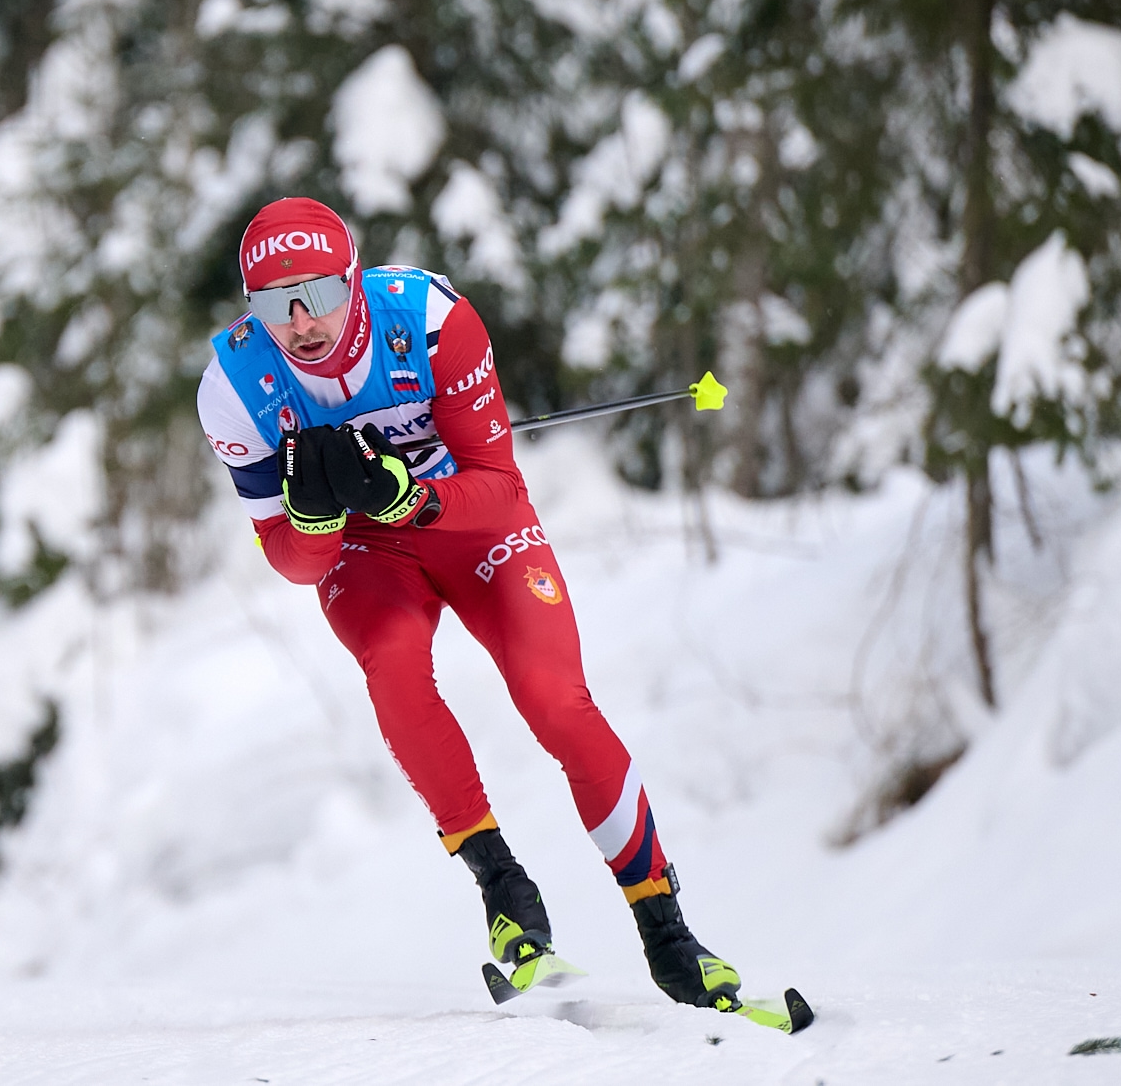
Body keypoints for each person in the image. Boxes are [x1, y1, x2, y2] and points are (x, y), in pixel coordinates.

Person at [195, 195, 743, 1009]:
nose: (303, 320)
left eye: (322, 293)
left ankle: (666, 929)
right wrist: (312, 518)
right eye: (278, 304)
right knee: (394, 668)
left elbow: (499, 484)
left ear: (357, 278)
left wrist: (410, 496)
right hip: (368, 553)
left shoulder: (430, 320)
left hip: (467, 524)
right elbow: (295, 562)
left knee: (556, 701)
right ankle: (504, 894)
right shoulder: (234, 388)